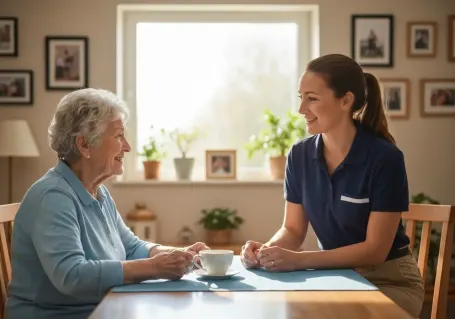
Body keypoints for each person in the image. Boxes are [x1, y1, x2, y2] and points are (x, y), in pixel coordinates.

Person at [240, 54, 424, 318]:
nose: (301, 109)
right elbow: (292, 230)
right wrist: (267, 252)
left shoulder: (385, 158)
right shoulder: (299, 156)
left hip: (389, 281)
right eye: (300, 97)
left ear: (346, 101)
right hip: (335, 278)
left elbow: (374, 251)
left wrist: (300, 260)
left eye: (312, 98)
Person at [5, 88, 210, 319]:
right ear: (84, 145)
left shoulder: (97, 192)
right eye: (119, 136)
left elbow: (130, 247)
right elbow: (72, 276)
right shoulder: (52, 197)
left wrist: (178, 254)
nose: (127, 146)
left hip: (101, 309)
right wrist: (154, 267)